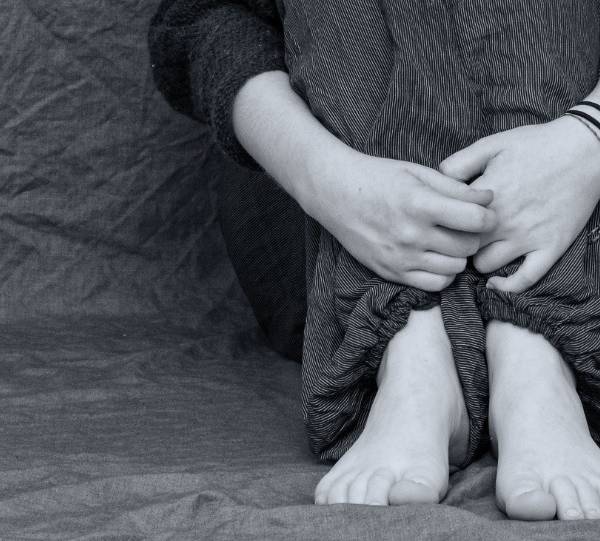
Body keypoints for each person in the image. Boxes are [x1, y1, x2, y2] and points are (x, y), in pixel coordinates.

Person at [149, 0, 600, 521]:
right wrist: (330, 181)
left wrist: (587, 139)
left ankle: (534, 353)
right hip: (321, 215)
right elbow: (204, 17)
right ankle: (412, 344)